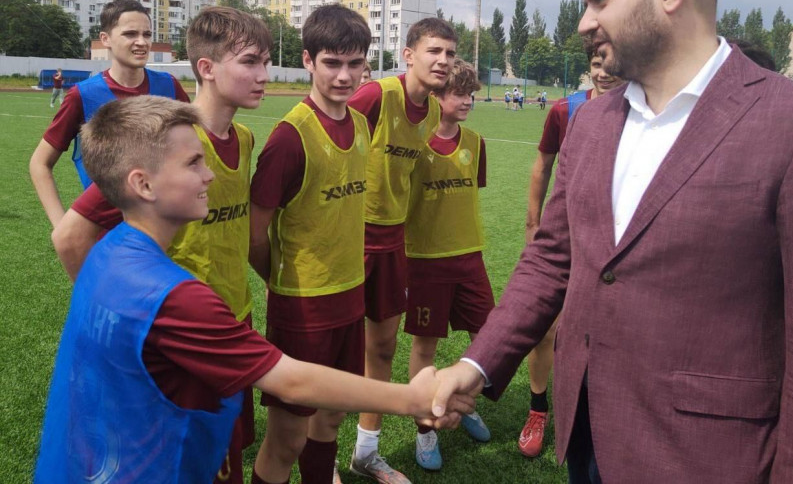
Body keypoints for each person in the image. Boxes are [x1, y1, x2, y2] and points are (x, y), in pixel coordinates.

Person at [430, 0, 793, 482]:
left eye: (600, 0)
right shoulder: (590, 123)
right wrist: (478, 362)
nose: (583, 22)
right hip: (588, 436)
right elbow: (551, 261)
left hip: (713, 457)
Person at [34, 96, 472, 484]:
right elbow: (293, 381)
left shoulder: (108, 254)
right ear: (142, 184)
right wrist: (413, 398)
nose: (210, 175)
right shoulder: (174, 296)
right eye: (193, 163)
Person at [49, 6, 273, 484]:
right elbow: (71, 235)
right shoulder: (166, 147)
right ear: (206, 69)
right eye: (251, 61)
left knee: (227, 453)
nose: (263, 75)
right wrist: (117, 311)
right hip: (180, 335)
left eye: (267, 62)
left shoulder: (247, 137)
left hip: (235, 317)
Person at [248, 4, 372, 484]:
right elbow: (254, 235)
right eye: (332, 63)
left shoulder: (360, 125)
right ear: (307, 60)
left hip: (350, 299)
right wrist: (282, 282)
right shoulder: (289, 138)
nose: (344, 76)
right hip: (303, 309)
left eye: (354, 63)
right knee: (287, 438)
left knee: (331, 419)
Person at [346, 17, 457, 484]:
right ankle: (313, 454)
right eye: (434, 51)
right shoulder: (376, 96)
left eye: (450, 54)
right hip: (350, 236)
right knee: (333, 352)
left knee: (384, 347)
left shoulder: (432, 112)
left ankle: (365, 452)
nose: (443, 61)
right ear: (408, 54)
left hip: (393, 241)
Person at [518, 49, 623, 458]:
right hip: (567, 239)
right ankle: (538, 410)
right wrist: (532, 224)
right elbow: (542, 165)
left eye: (612, 65)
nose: (604, 73)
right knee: (546, 328)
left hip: (615, 246)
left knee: (606, 332)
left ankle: (594, 411)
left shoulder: (644, 111)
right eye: (597, 64)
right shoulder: (566, 109)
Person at [404, 59, 494, 471]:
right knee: (426, 346)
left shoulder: (476, 142)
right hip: (425, 262)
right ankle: (425, 429)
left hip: (470, 258)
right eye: (459, 94)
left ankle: (464, 402)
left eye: (470, 94)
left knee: (485, 340)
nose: (467, 101)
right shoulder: (415, 144)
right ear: (436, 97)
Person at [29, 0, 188, 228]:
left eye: (147, 34)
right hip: (105, 235)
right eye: (130, 34)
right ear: (105, 39)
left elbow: (195, 147)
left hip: (165, 229)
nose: (141, 42)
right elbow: (39, 163)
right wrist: (60, 224)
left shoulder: (170, 86)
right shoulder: (83, 95)